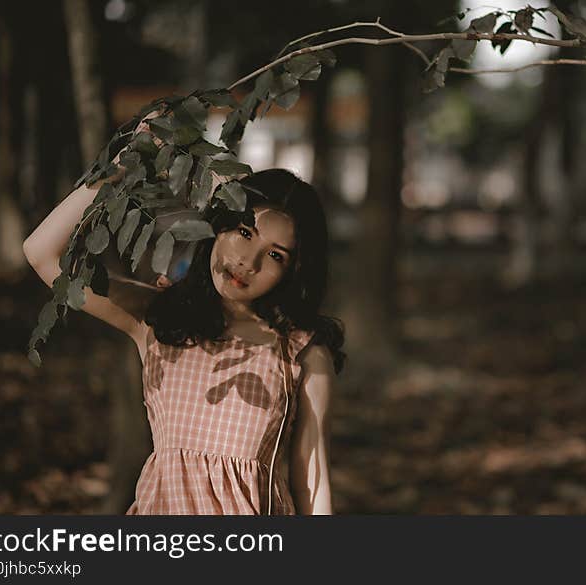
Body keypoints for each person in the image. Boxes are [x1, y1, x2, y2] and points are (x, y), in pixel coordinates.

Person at [23, 160, 345, 515]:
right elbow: (41, 253)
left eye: (274, 255)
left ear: (293, 271)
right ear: (218, 225)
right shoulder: (158, 316)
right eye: (244, 232)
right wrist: (118, 167)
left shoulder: (301, 352)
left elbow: (313, 482)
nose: (247, 262)